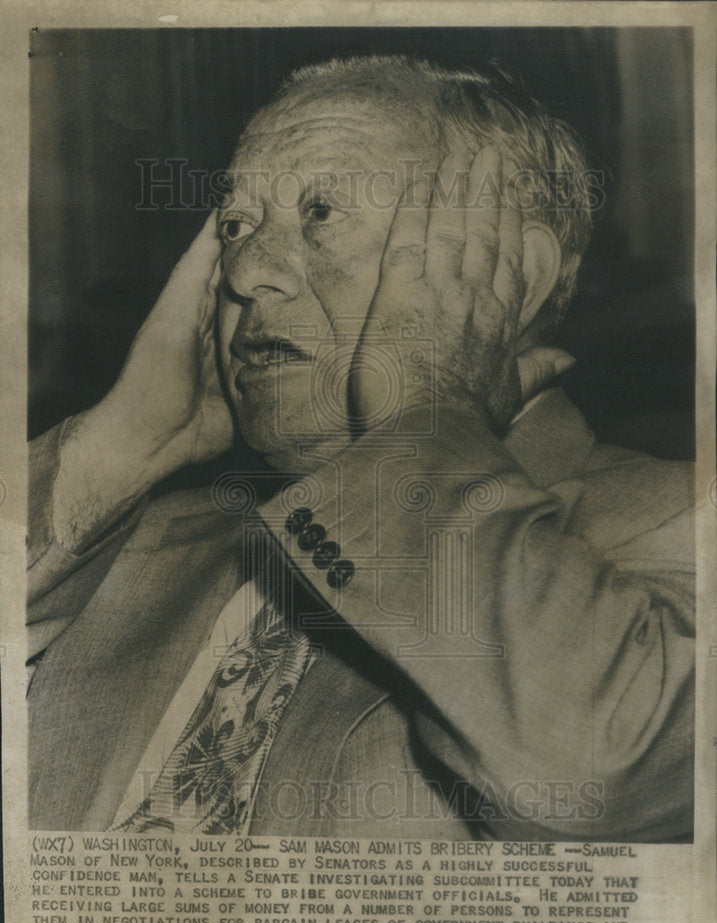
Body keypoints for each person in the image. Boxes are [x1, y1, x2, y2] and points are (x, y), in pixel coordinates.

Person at [27, 55, 694, 841]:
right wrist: (122, 448)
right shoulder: (128, 536)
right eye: (236, 226)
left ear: (512, 276)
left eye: (321, 212)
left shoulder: (674, 517)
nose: (245, 271)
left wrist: (424, 409)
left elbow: (594, 774)